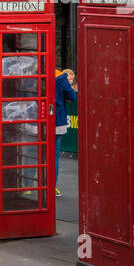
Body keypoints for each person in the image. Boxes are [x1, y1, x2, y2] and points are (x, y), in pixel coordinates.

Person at [54, 68, 78, 198]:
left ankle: (28, 185)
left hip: (40, 121)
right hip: (57, 121)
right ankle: (51, 186)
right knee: (54, 157)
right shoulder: (62, 79)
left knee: (36, 153)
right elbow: (72, 97)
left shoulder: (40, 76)